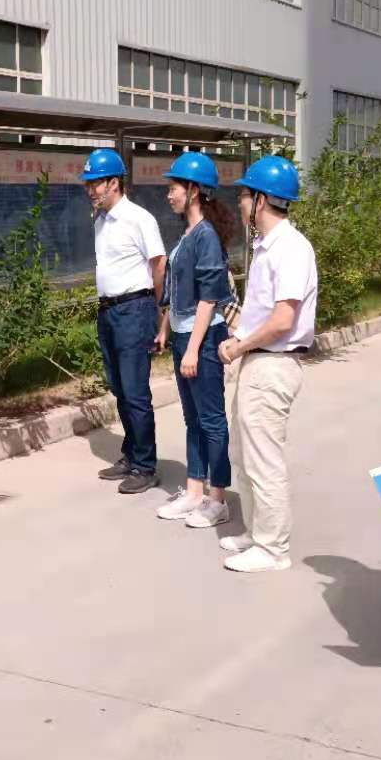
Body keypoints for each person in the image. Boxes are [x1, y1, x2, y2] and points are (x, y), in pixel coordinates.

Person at [217, 155, 317, 574]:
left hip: (273, 364)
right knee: (243, 455)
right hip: (257, 361)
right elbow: (263, 314)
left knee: (263, 461)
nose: (240, 203)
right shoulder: (267, 246)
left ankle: (273, 548)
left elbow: (282, 320)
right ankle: (257, 532)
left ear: (260, 200)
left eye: (243, 196)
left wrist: (239, 346)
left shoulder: (290, 248)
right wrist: (238, 331)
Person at [153, 151, 239, 529]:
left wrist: (192, 348)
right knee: (193, 419)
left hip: (202, 339)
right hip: (185, 335)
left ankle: (217, 498)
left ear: (193, 190)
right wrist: (165, 328)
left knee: (212, 419)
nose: (169, 194)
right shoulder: (188, 233)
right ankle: (193, 491)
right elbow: (176, 292)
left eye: (174, 187)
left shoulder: (206, 236)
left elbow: (208, 298)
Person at [82, 147, 167, 495]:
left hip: (135, 309)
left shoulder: (139, 219)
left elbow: (158, 264)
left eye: (95, 183)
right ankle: (131, 454)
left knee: (135, 391)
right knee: (118, 387)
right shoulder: (101, 221)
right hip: (108, 311)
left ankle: (146, 466)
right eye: (88, 184)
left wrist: (158, 310)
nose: (90, 190)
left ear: (114, 183)